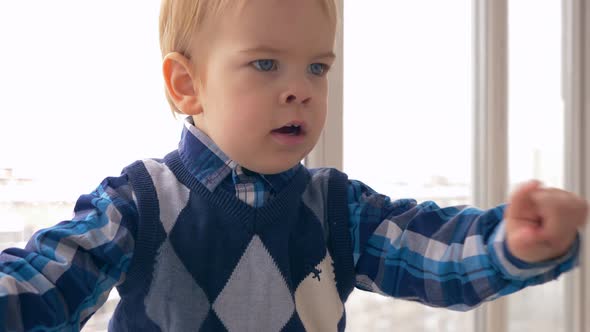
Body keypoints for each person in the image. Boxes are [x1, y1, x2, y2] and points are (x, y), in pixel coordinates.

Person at [1, 0, 588, 331]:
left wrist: (511, 241)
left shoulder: (341, 211)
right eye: (265, 65)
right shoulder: (138, 202)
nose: (300, 90)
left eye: (317, 68)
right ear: (187, 85)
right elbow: (42, 285)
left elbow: (438, 257)